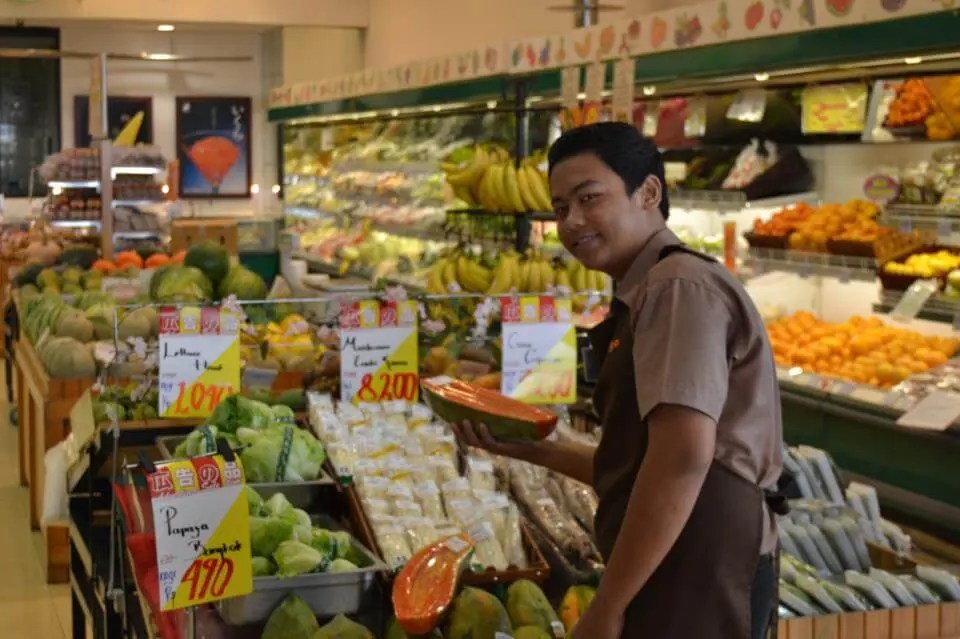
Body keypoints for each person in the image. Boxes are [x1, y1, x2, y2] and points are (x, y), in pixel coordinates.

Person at [453, 122, 784, 639]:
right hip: (679, 556)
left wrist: (608, 604)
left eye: (590, 198)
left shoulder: (677, 289)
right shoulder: (647, 290)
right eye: (561, 208)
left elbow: (681, 460)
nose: (572, 221)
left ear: (648, 192)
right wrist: (533, 448)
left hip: (696, 564)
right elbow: (638, 464)